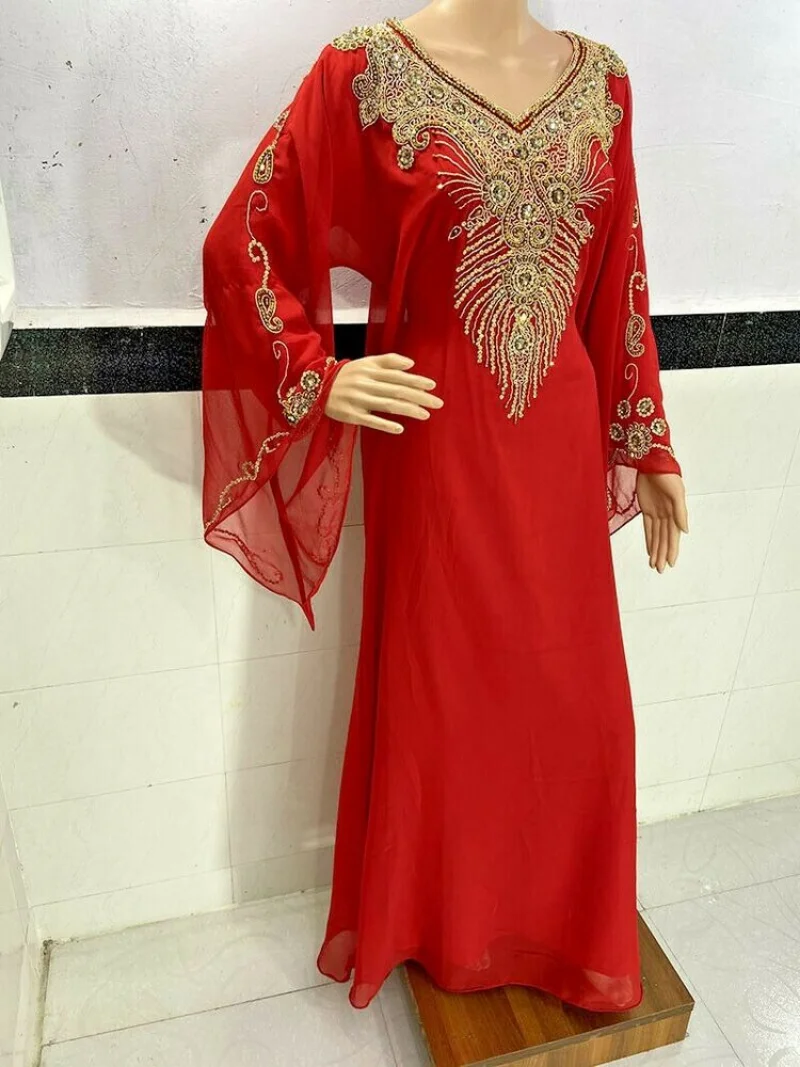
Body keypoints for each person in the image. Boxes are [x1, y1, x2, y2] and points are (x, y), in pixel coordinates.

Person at [201, 2, 689, 1013]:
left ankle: (566, 924)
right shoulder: (365, 71)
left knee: (577, 701)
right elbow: (243, 238)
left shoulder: (602, 82)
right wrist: (316, 371)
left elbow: (620, 277)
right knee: (446, 695)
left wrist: (646, 439)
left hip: (556, 438)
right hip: (434, 436)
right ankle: (443, 921)